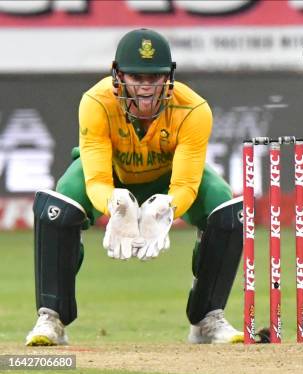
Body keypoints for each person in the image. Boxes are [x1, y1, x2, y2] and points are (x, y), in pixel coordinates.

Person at [26, 28, 244, 346]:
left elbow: (185, 183)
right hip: (112, 178)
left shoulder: (194, 110)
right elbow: (97, 180)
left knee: (226, 210)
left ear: (168, 77)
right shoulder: (96, 102)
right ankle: (51, 318)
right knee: (56, 209)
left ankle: (207, 319)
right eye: (136, 77)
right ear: (118, 76)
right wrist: (114, 206)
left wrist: (168, 208)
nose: (145, 87)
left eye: (153, 78)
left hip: (167, 180)